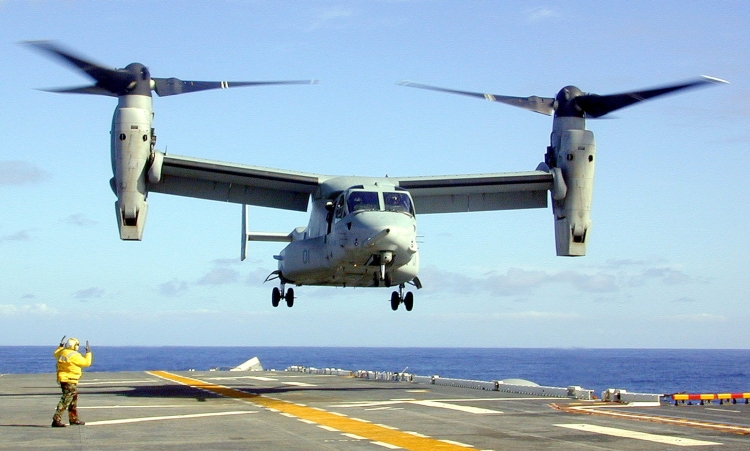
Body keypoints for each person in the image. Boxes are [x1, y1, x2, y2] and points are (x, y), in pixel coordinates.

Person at [52, 336, 92, 427]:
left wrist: (61, 346)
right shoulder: (74, 355)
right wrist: (88, 353)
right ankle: (56, 419)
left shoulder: (63, 352)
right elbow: (86, 363)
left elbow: (55, 354)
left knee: (73, 400)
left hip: (64, 379)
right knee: (66, 399)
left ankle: (73, 419)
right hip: (69, 379)